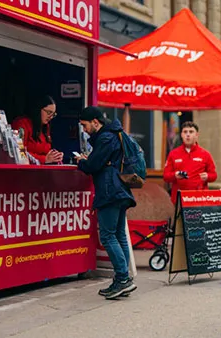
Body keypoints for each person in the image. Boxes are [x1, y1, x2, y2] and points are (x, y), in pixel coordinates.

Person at [75, 106, 137, 299]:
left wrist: (81, 162)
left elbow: (94, 165)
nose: (84, 130)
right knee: (119, 235)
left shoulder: (105, 137)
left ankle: (122, 278)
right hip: (120, 190)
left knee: (108, 236)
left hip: (110, 191)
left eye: (85, 125)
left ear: (95, 121)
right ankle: (124, 280)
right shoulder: (113, 134)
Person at [163, 121, 217, 205]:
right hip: (179, 200)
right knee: (179, 218)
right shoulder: (173, 154)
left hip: (198, 200)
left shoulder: (205, 154)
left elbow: (214, 175)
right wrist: (175, 175)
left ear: (196, 135)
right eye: (185, 132)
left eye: (191, 132)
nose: (188, 135)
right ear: (181, 135)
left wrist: (207, 176)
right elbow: (166, 176)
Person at [11, 95, 63, 164]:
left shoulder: (45, 126)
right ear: (38, 109)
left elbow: (45, 150)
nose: (51, 117)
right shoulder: (22, 124)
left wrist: (55, 156)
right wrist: (44, 159)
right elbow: (20, 153)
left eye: (53, 114)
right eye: (49, 112)